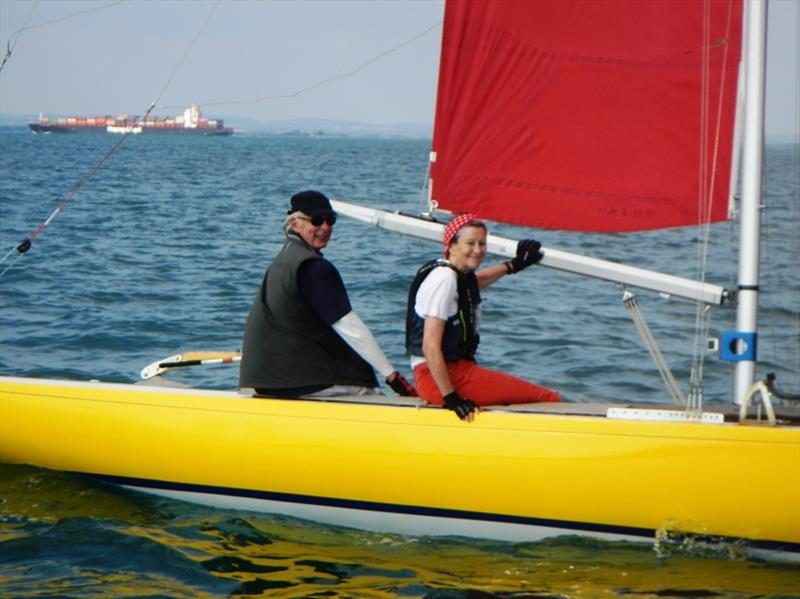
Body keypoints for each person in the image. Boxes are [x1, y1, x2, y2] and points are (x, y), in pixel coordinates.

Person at [239, 190, 416, 399]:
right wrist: (393, 377)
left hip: (262, 379)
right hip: (294, 380)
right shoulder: (314, 268)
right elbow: (350, 327)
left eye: (330, 220)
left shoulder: (283, 258)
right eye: (316, 221)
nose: (325, 227)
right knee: (371, 391)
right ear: (295, 224)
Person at [406, 213, 560, 421]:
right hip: (440, 378)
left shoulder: (453, 272)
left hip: (452, 371)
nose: (478, 250)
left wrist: (513, 265)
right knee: (547, 398)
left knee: (520, 395)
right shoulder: (443, 280)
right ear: (451, 245)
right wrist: (452, 398)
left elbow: (475, 282)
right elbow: (430, 347)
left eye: (482, 243)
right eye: (470, 243)